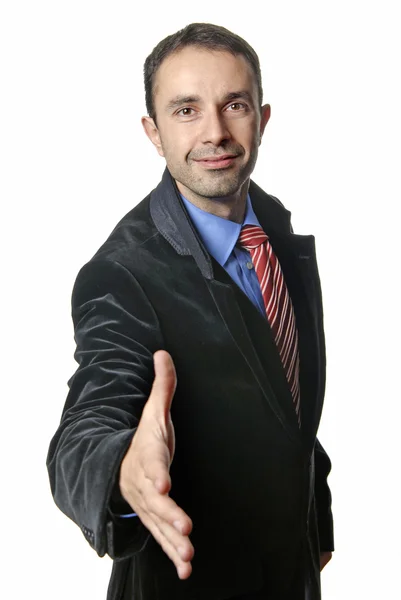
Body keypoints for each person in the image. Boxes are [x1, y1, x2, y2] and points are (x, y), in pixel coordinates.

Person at [47, 22, 334, 600]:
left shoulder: (272, 228)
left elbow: (286, 403)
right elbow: (87, 423)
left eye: (234, 105)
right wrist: (122, 473)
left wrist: (316, 523)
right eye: (186, 110)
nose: (216, 133)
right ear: (152, 132)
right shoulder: (122, 273)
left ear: (264, 117)